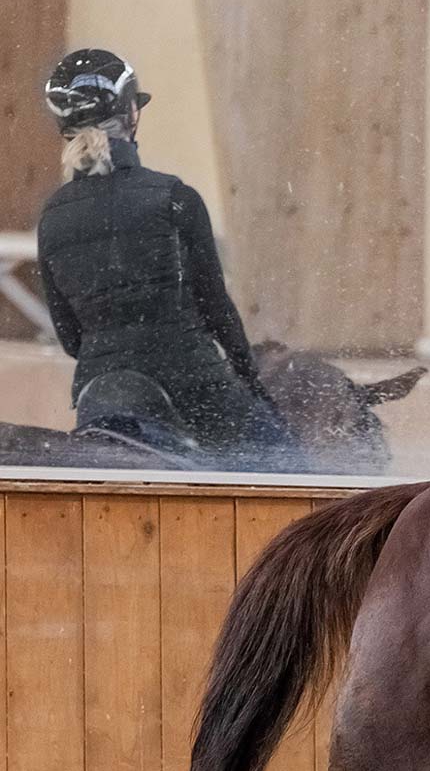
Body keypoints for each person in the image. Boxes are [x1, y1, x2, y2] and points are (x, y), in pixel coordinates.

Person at [35, 48, 303, 470]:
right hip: (191, 381)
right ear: (131, 115)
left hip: (100, 395)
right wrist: (249, 381)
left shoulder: (51, 217)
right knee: (293, 467)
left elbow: (70, 336)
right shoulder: (175, 197)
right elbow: (217, 309)